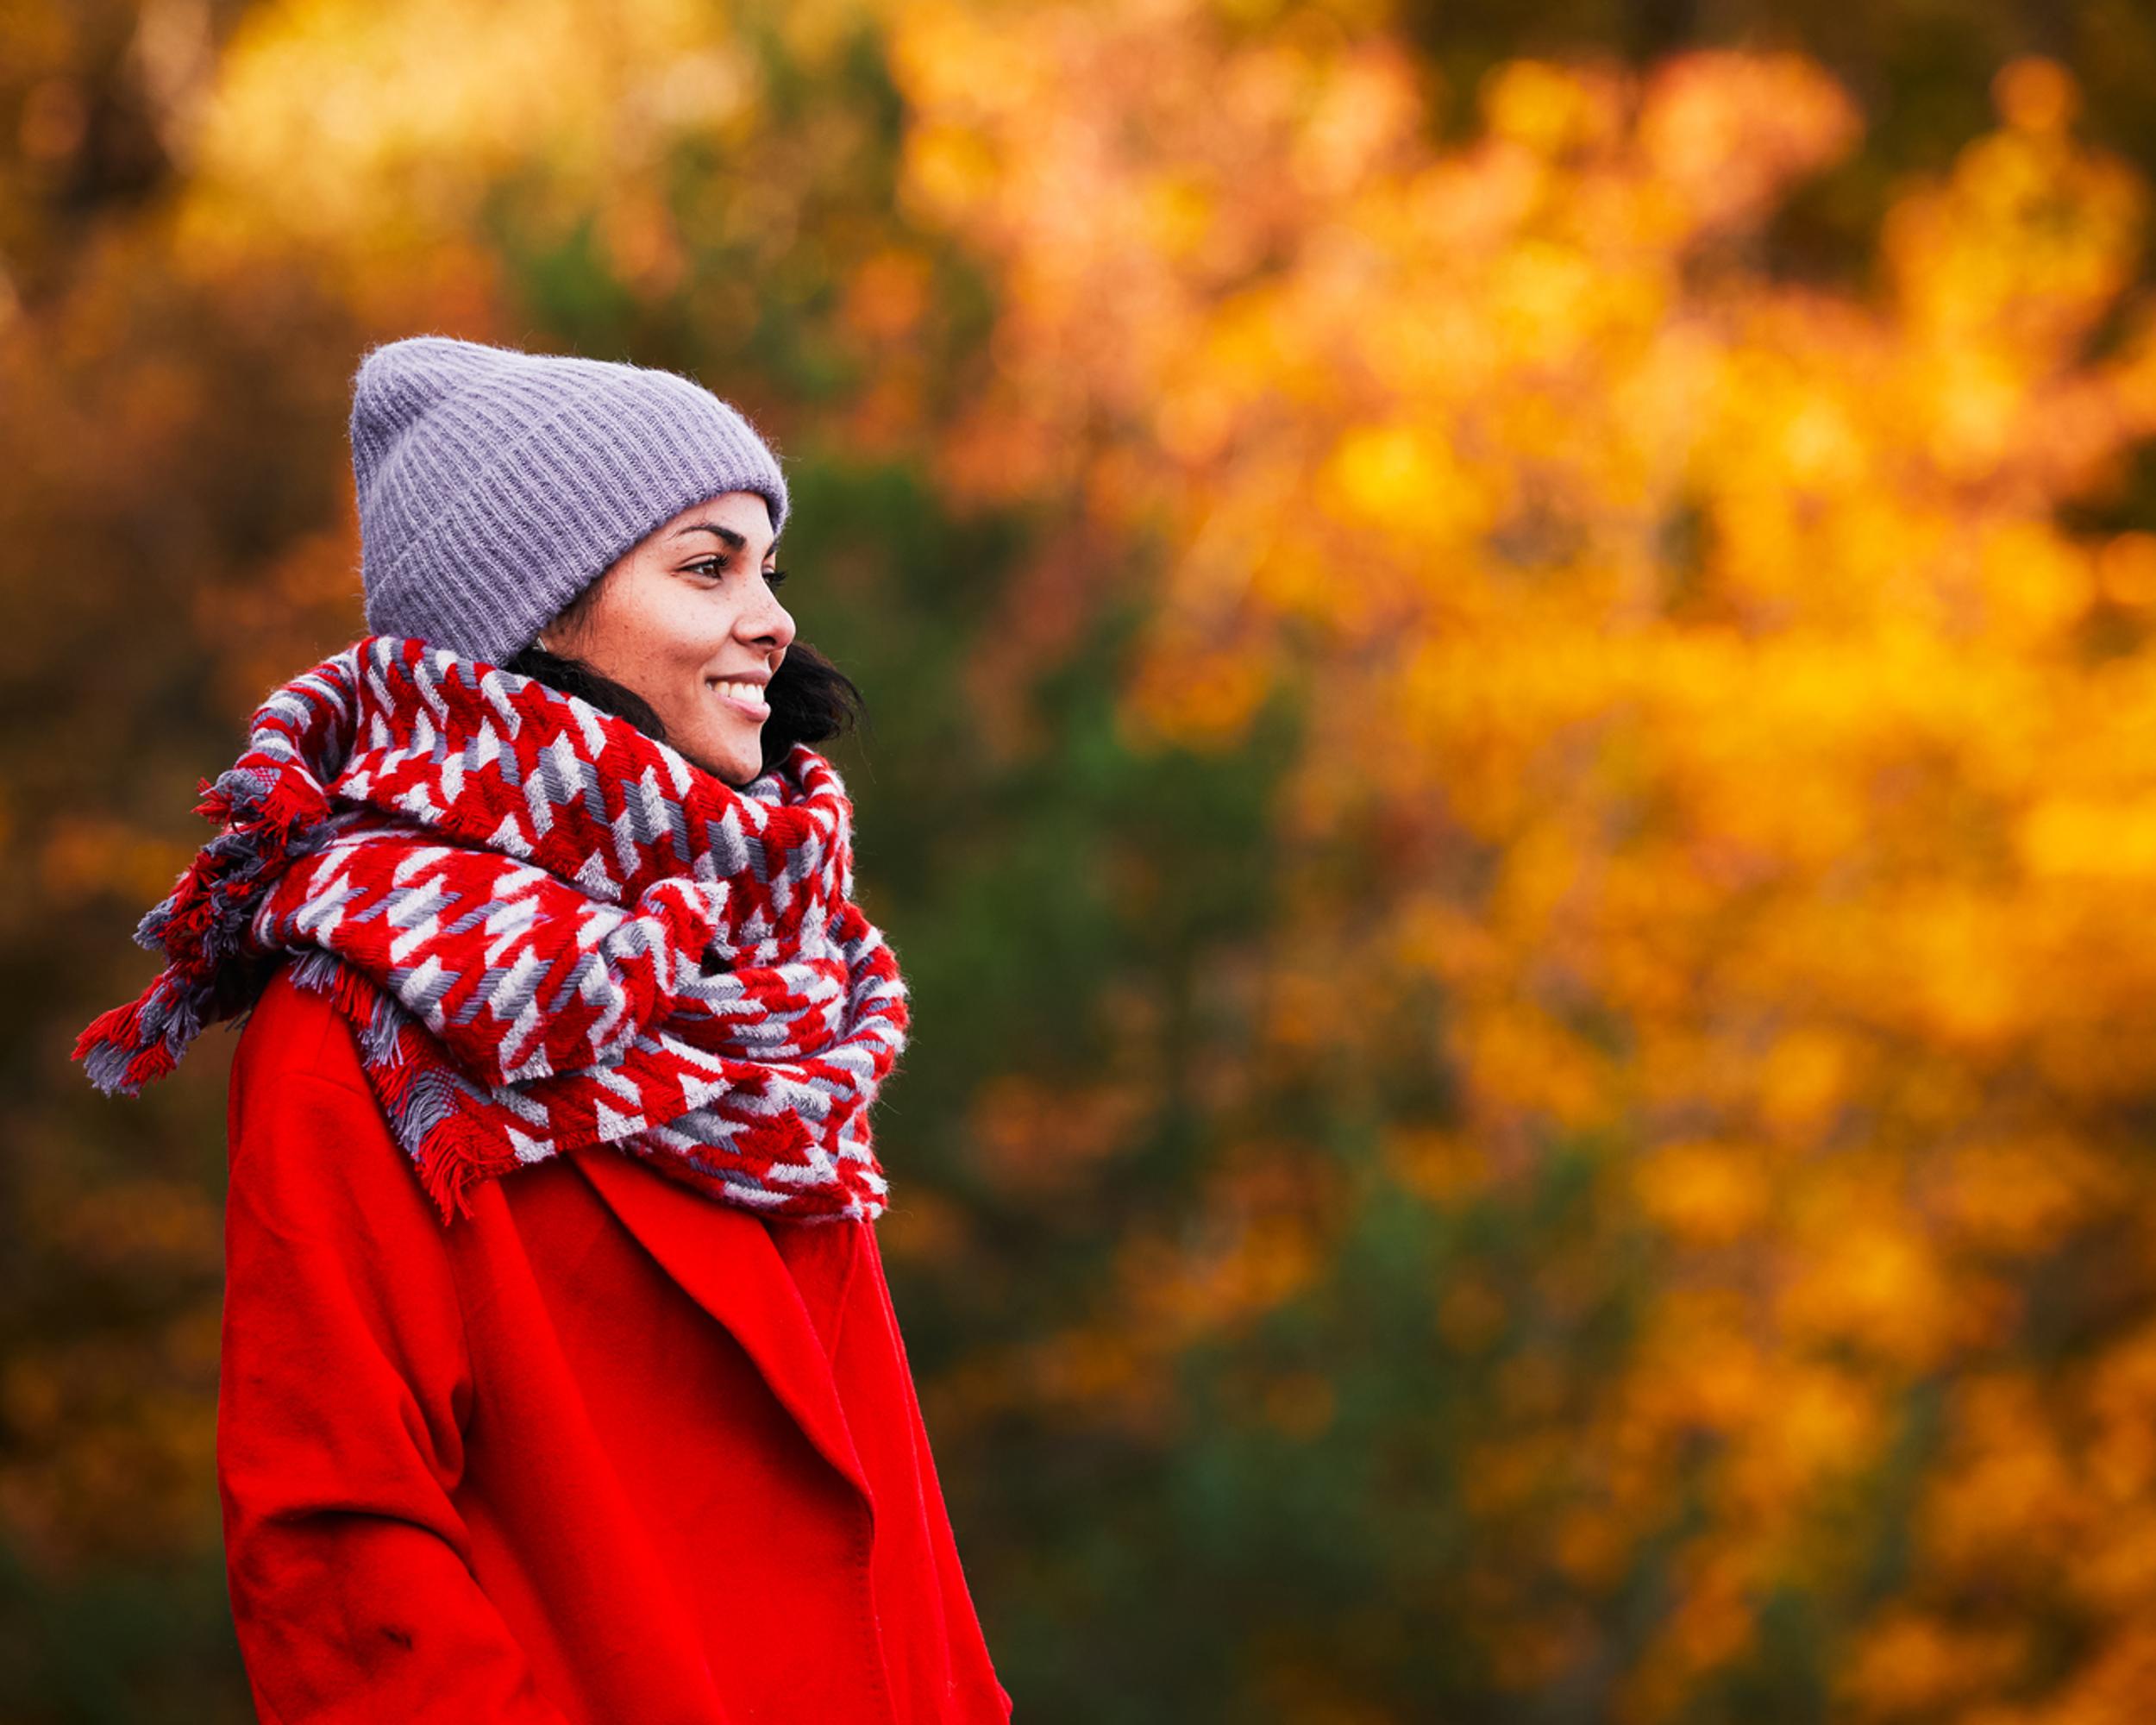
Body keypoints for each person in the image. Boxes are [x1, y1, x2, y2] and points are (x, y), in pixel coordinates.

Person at [73, 336, 1015, 1723]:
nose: (771, 622)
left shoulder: (773, 986)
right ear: (538, 617)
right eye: (708, 568)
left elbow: (892, 1500)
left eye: (770, 571)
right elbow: (335, 1528)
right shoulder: (370, 1003)